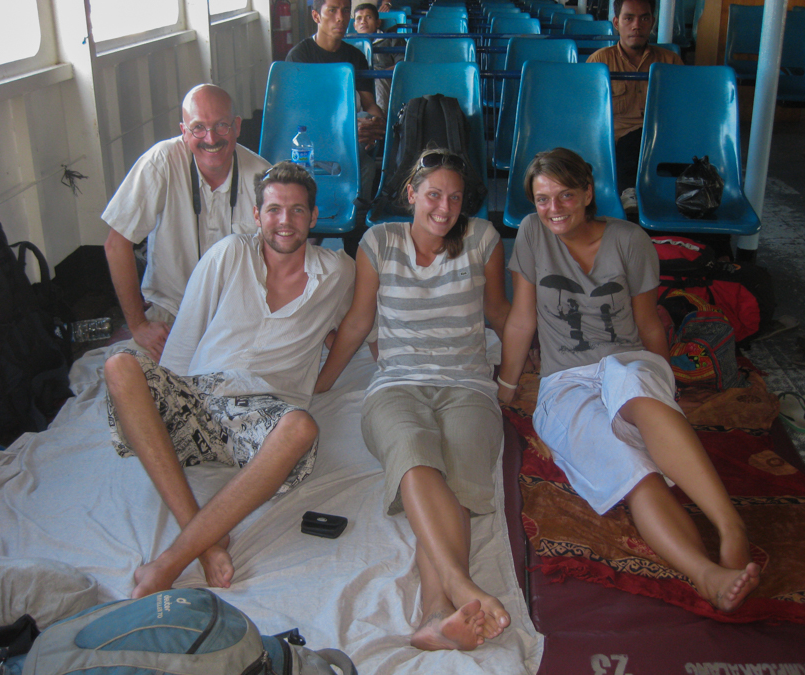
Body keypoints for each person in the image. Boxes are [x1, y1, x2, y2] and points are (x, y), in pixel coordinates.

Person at [497, 148, 761, 613]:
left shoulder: (629, 239)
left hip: (626, 360)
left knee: (636, 389)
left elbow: (649, 322)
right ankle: (707, 574)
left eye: (565, 196)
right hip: (565, 381)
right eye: (542, 199)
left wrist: (665, 386)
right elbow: (521, 319)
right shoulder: (531, 236)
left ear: (586, 193)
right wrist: (505, 385)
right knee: (633, 472)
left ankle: (730, 526)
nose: (553, 209)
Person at [104, 162, 355, 599]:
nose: (285, 222)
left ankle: (169, 562)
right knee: (120, 366)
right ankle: (201, 542)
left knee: (301, 427)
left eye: (297, 211)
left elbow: (353, 328)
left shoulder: (337, 273)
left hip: (265, 412)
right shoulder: (227, 253)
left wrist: (324, 376)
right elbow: (185, 337)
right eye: (274, 210)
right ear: (256, 216)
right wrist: (167, 402)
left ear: (314, 218)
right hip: (201, 397)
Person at [314, 149, 513, 650]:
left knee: (461, 477)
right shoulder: (378, 242)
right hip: (397, 384)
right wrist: (320, 384)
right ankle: (459, 586)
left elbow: (499, 312)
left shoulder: (484, 240)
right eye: (433, 195)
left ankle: (435, 612)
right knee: (414, 458)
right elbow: (360, 322)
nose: (444, 208)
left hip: (467, 384)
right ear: (411, 194)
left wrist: (518, 375)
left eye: (454, 198)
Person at [103, 84, 271, 362]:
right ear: (183, 131)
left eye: (221, 126)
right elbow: (115, 245)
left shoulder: (263, 177)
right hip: (171, 314)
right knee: (126, 374)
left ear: (237, 127)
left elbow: (284, 257)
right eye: (198, 128)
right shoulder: (160, 163)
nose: (211, 138)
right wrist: (139, 326)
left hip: (239, 315)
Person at [287, 0, 387, 257]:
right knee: (357, 147)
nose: (341, 18)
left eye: (345, 11)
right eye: (332, 10)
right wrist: (347, 126)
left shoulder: (355, 57)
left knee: (364, 152)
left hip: (347, 140)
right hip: (311, 138)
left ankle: (355, 228)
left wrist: (377, 122)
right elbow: (298, 114)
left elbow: (369, 104)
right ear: (316, 16)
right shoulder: (300, 56)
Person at [587, 0, 683, 216]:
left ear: (652, 23)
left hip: (662, 141)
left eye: (644, 18)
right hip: (618, 143)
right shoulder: (599, 61)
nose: (636, 25)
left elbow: (681, 111)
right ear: (616, 23)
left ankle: (718, 245)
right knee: (633, 141)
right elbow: (589, 116)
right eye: (629, 18)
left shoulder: (670, 61)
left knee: (700, 174)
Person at [353, 2, 405, 116]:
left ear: (378, 23)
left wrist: (379, 73)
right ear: (354, 25)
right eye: (359, 18)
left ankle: (381, 121)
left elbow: (402, 64)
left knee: (377, 80)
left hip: (384, 80)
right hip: (359, 81)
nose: (363, 21)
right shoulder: (349, 45)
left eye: (368, 17)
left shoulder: (392, 39)